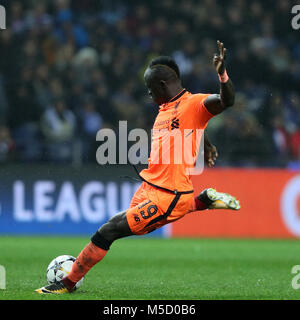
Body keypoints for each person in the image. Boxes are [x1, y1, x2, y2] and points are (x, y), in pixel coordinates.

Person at [35, 40, 240, 294]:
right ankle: (202, 201)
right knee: (133, 226)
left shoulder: (193, 102)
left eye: (150, 88)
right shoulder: (166, 108)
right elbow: (191, 127)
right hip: (150, 186)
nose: (148, 93)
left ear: (163, 85)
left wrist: (222, 73)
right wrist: (204, 142)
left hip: (169, 194)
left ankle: (67, 283)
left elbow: (226, 100)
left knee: (108, 231)